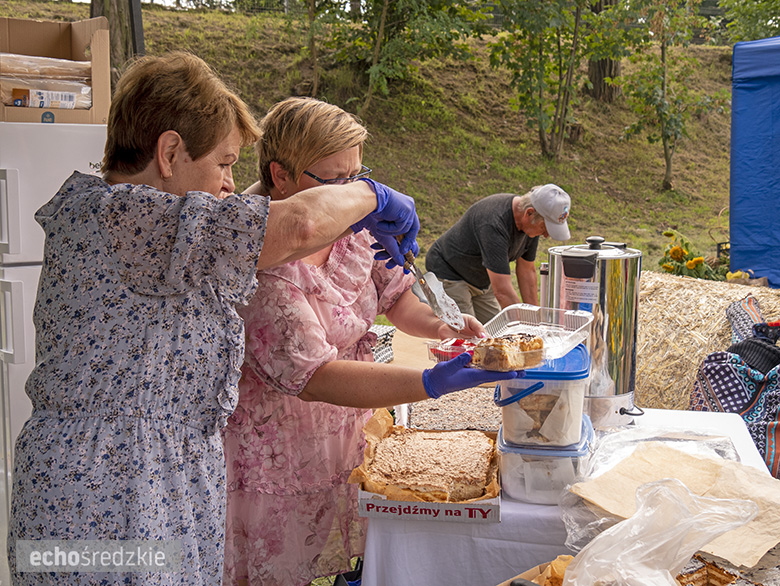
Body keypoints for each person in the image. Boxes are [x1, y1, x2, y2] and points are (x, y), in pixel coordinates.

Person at [7, 52, 422, 586]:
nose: (230, 183)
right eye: (224, 164)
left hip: (153, 481)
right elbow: (294, 227)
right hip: (105, 494)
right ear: (169, 152)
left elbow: (260, 222)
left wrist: (345, 210)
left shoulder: (160, 228)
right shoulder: (128, 216)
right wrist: (370, 194)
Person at [221, 97, 521, 586]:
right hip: (279, 453)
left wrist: (443, 325)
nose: (356, 195)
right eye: (337, 182)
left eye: (359, 177)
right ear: (281, 176)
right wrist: (429, 382)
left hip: (346, 433)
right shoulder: (262, 266)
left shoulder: (352, 230)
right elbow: (318, 378)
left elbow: (397, 297)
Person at [424, 184, 572, 324]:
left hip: (480, 278)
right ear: (529, 213)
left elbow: (527, 271)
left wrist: (535, 320)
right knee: (466, 335)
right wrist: (525, 328)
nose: (546, 235)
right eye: (545, 228)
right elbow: (502, 291)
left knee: (495, 332)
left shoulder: (531, 223)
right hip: (450, 272)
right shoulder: (494, 223)